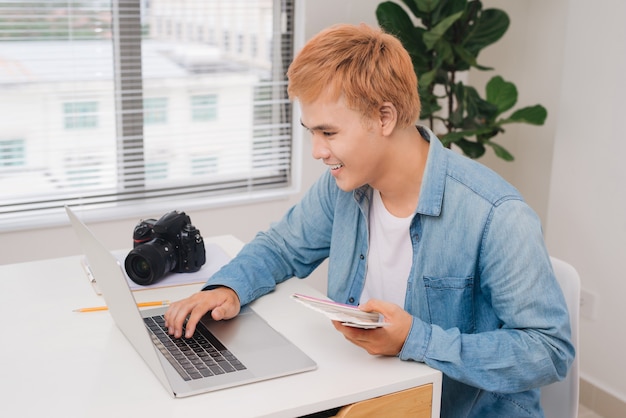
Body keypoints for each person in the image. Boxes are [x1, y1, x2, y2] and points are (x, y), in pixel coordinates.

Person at [164, 23, 574, 417]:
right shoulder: (344, 187)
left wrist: (417, 339)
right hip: (365, 394)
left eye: (328, 133)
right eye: (311, 132)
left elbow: (549, 351)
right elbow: (282, 246)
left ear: (384, 118)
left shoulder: (496, 215)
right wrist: (228, 288)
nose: (317, 151)